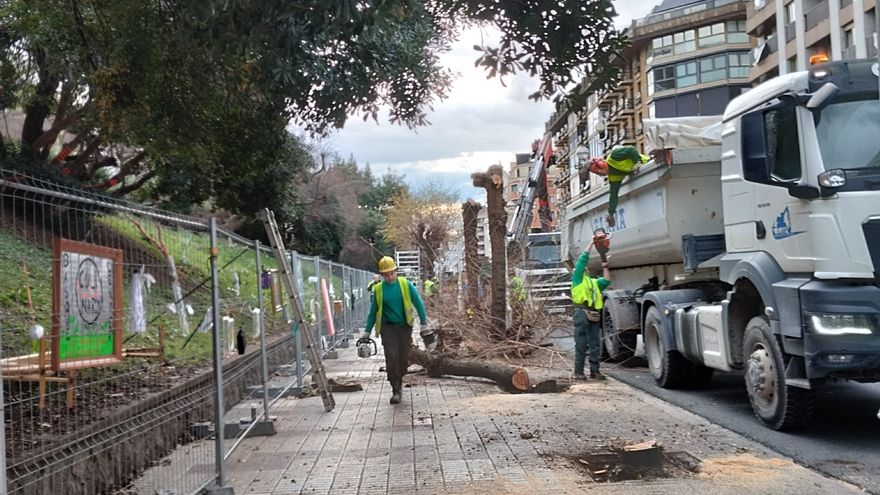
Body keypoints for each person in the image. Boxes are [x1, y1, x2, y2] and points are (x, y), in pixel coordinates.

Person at [362, 256, 428, 404]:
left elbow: (418, 303)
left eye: (391, 273)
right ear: (382, 275)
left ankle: (401, 376)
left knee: (404, 358)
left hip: (405, 327)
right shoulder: (378, 290)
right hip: (388, 328)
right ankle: (395, 388)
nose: (389, 276)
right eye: (385, 274)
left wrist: (424, 323)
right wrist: (367, 331)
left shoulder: (406, 285)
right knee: (391, 357)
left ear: (396, 271)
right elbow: (373, 312)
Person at [570, 239, 612, 380]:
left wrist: (605, 265)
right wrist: (591, 244)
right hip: (581, 312)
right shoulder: (577, 279)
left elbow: (606, 281)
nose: (583, 268)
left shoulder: (594, 282)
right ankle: (579, 372)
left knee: (595, 344)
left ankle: (595, 371)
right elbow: (582, 261)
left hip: (593, 312)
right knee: (581, 344)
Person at [592, 146, 649, 227]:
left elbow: (631, 150)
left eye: (599, 169)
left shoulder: (614, 156)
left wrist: (637, 163)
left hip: (647, 167)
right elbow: (613, 196)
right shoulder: (613, 177)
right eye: (598, 173)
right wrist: (610, 214)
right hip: (640, 177)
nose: (600, 172)